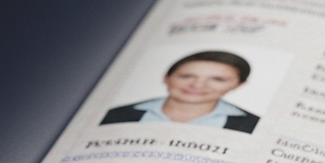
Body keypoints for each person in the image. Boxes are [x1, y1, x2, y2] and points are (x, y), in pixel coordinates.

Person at [101, 51, 259, 133]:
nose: (197, 85)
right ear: (166, 78)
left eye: (217, 79)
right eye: (187, 76)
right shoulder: (113, 115)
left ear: (238, 85)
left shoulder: (253, 125)